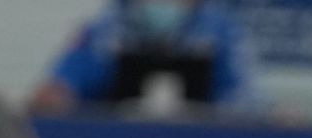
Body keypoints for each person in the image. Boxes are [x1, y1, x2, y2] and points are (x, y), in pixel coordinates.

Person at [30, 0, 256, 114]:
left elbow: (247, 102)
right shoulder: (104, 30)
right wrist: (55, 96)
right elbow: (64, 83)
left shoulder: (223, 33)